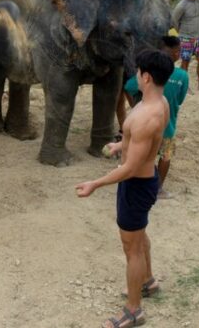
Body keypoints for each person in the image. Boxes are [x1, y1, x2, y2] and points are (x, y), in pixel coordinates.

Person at [77, 50, 172, 328]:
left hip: (136, 184)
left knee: (131, 248)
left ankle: (134, 311)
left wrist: (95, 183)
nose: (135, 76)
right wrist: (122, 144)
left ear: (147, 76)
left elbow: (129, 168)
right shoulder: (160, 102)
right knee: (139, 236)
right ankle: (148, 282)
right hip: (143, 179)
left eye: (138, 71)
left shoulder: (147, 116)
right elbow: (146, 144)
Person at [123, 37, 188, 200]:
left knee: (146, 154)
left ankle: (144, 183)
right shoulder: (182, 76)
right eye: (178, 50)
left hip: (146, 126)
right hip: (169, 126)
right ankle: (158, 188)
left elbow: (128, 87)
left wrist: (135, 106)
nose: (179, 53)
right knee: (166, 156)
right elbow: (180, 100)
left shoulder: (147, 75)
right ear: (173, 54)